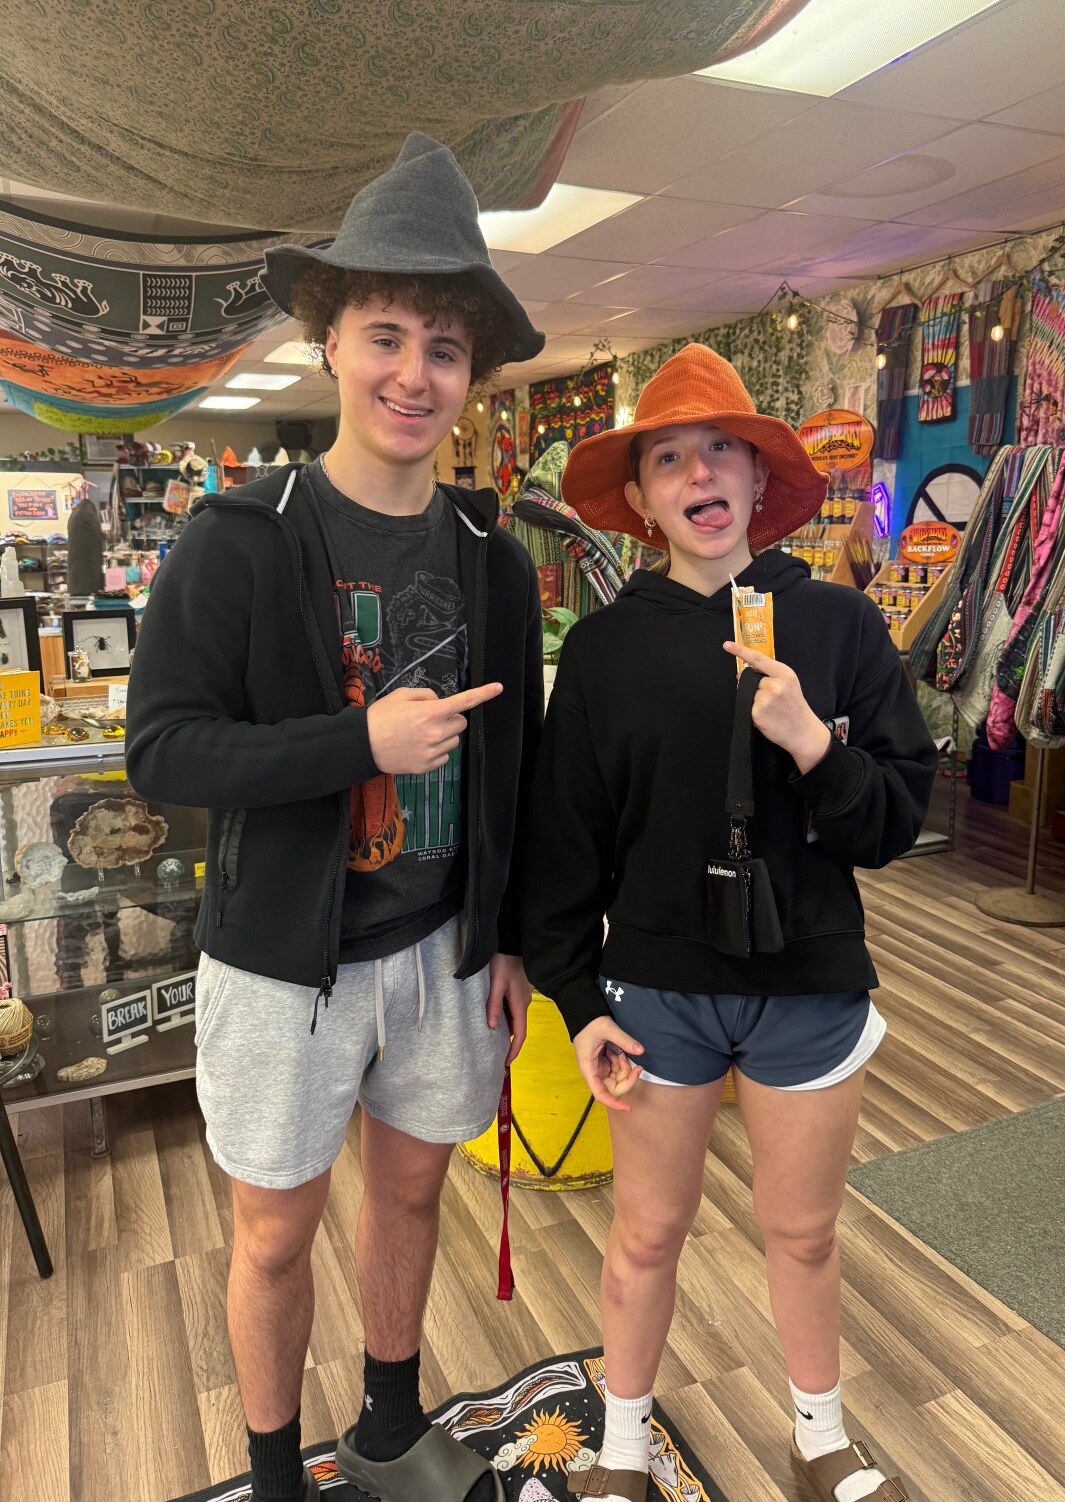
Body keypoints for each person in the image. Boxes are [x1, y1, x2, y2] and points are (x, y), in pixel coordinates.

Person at [127, 133, 545, 1502]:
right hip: (279, 965)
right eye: (387, 336)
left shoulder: (493, 560)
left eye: (445, 347)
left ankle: (386, 1425)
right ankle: (273, 1477)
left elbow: (518, 767)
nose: (414, 374)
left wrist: (510, 935)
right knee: (271, 1234)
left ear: (471, 372)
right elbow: (163, 751)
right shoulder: (238, 539)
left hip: (442, 954)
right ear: (330, 342)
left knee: (413, 1192)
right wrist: (356, 742)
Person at [523, 344, 938, 1502]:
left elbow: (894, 820)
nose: (699, 473)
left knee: (803, 1231)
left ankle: (819, 1435)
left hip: (809, 980)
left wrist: (812, 744)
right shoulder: (605, 650)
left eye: (722, 450)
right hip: (660, 987)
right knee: (646, 1231)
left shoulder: (842, 627)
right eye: (669, 457)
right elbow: (566, 842)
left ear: (759, 480)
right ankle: (620, 1449)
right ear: (643, 496)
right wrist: (575, 999)